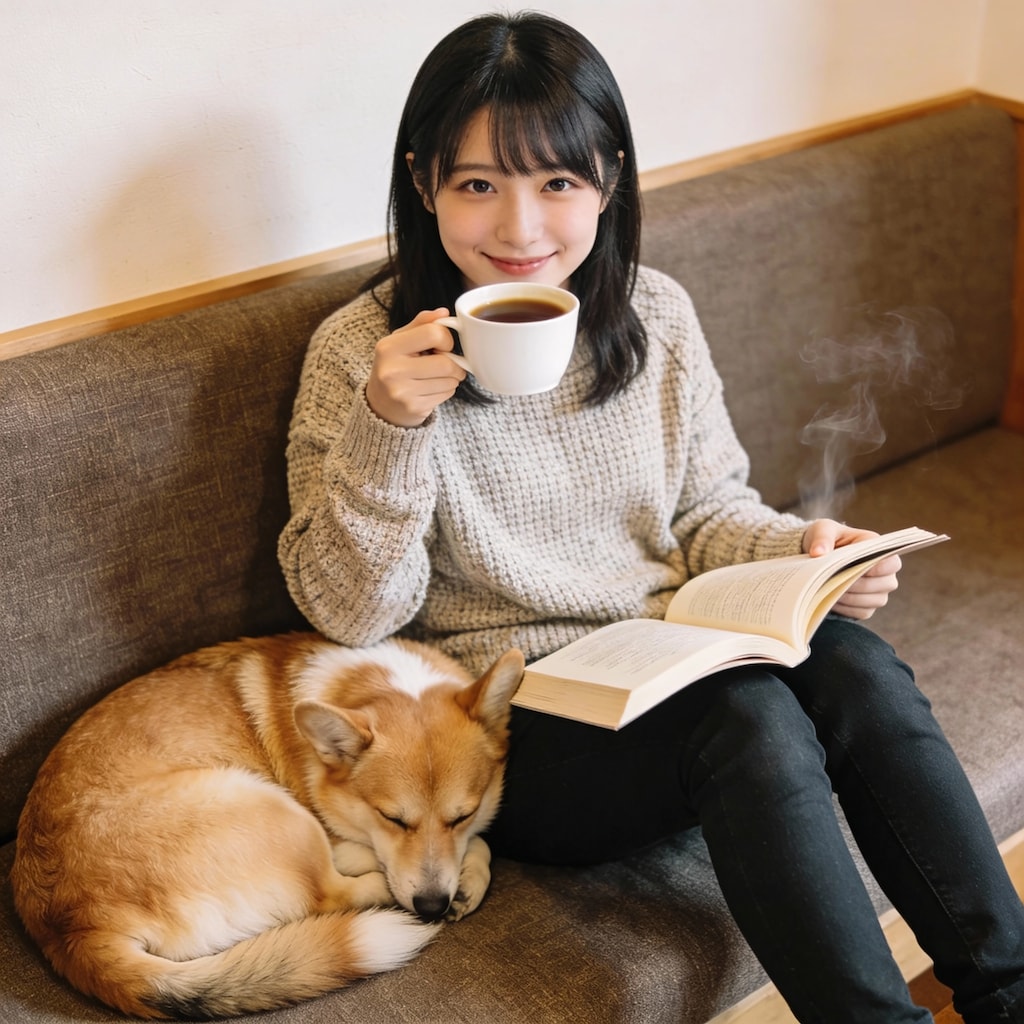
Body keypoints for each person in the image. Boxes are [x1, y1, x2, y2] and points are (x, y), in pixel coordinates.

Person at [278, 12, 1024, 1023]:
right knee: (746, 713)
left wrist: (801, 554)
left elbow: (709, 508)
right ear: (423, 184)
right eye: (476, 184)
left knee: (853, 659)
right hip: (506, 735)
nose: (520, 229)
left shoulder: (655, 315)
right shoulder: (359, 355)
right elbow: (352, 613)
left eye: (557, 183)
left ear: (610, 180)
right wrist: (386, 426)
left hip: (663, 660)